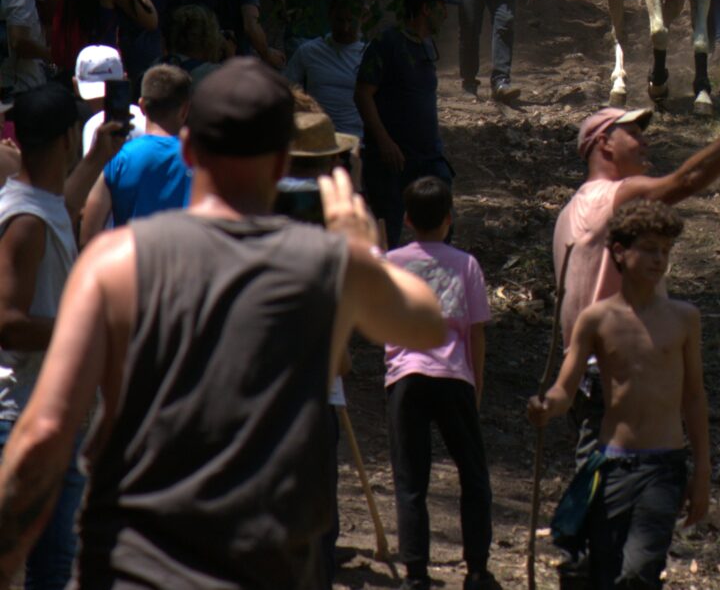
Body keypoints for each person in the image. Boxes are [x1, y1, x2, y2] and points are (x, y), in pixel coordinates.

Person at [0, 59, 446, 590]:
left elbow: (45, 431)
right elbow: (426, 324)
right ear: (283, 160)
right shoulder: (318, 264)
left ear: (188, 152)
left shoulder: (117, 263)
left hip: (134, 563)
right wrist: (358, 250)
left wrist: (7, 557)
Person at [528, 200, 710, 590]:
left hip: (664, 466)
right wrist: (548, 406)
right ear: (619, 252)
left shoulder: (684, 319)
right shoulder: (596, 320)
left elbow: (694, 397)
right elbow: (567, 386)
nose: (659, 258)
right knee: (605, 574)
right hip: (611, 464)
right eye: (648, 248)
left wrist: (703, 472)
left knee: (639, 573)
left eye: (665, 250)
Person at [551, 84, 720, 391]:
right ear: (604, 143)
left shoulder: (568, 213)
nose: (646, 142)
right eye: (634, 134)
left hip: (583, 375)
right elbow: (687, 181)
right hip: (619, 370)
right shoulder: (614, 196)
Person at [0, 83, 102, 590]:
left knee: (55, 565)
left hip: (49, 412)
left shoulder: (40, 203)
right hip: (24, 414)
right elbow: (7, 321)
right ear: (67, 137)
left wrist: (101, 156)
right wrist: (88, 327)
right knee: (48, 569)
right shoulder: (26, 221)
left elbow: (65, 203)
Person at [382, 175, 496, 590]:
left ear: (408, 219)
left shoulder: (391, 263)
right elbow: (476, 334)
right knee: (473, 475)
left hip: (406, 378)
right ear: (449, 219)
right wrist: (476, 387)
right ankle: (478, 568)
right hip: (453, 377)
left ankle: (415, 573)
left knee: (411, 480)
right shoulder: (466, 265)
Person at [356, 0, 450, 248]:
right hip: (391, 159)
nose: (445, 13)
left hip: (427, 155)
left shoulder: (426, 45)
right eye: (441, 6)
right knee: (389, 232)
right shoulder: (387, 44)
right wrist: (384, 142)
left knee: (443, 219)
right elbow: (363, 94)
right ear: (425, 9)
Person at [81, 63, 194, 237]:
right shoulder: (201, 160)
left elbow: (89, 233)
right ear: (185, 110)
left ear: (141, 106)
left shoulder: (117, 158)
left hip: (130, 260)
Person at [285, 0, 369, 142]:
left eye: (351, 21)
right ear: (330, 16)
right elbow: (285, 92)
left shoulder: (368, 56)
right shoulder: (309, 52)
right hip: (317, 141)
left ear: (363, 17)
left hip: (356, 140)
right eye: (340, 20)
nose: (345, 28)